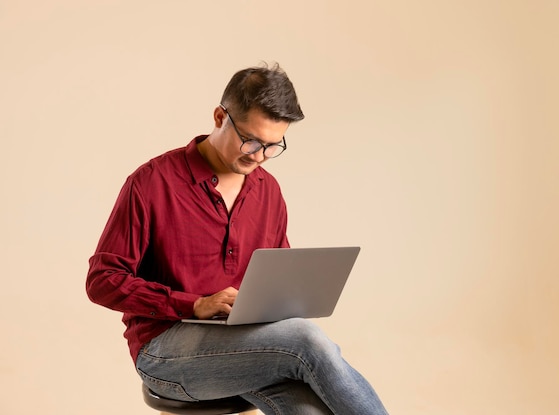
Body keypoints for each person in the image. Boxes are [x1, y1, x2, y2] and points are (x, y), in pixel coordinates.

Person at [86, 63, 389, 415]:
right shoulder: (152, 182)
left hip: (247, 345)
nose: (259, 156)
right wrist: (193, 304)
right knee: (307, 341)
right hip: (165, 352)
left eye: (273, 146)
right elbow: (102, 281)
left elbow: (278, 281)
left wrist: (289, 299)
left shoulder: (268, 190)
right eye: (251, 140)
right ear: (219, 117)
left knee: (309, 408)